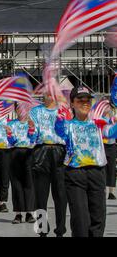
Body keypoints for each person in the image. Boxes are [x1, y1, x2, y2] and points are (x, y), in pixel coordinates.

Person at [55, 87, 117, 237]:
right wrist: (59, 118)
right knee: (80, 220)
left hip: (97, 174)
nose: (84, 103)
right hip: (75, 175)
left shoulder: (98, 123)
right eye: (80, 100)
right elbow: (59, 130)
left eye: (87, 100)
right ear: (72, 103)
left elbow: (111, 132)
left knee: (98, 218)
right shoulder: (68, 125)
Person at [29, 92, 68, 237]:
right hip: (41, 151)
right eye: (46, 91)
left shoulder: (64, 110)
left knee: (61, 194)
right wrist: (31, 130)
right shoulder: (35, 111)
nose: (49, 94)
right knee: (40, 195)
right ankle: (42, 230)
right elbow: (32, 136)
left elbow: (67, 133)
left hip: (60, 151)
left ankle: (60, 230)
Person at [6, 104, 36, 224]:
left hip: (28, 153)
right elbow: (12, 141)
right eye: (19, 108)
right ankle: (18, 214)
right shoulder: (11, 124)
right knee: (16, 183)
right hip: (15, 153)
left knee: (29, 183)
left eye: (24, 107)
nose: (21, 110)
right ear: (16, 110)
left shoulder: (32, 123)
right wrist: (9, 134)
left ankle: (29, 213)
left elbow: (34, 139)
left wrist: (32, 129)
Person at [101, 109, 117, 199]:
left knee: (112, 169)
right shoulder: (102, 120)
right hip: (103, 145)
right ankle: (103, 190)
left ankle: (111, 192)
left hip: (112, 146)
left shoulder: (114, 121)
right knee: (103, 168)